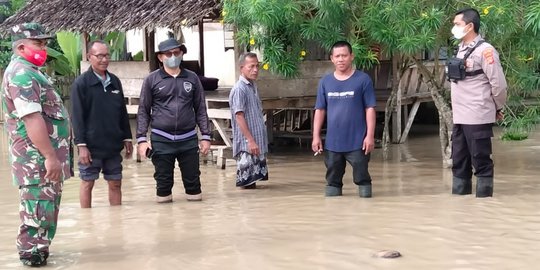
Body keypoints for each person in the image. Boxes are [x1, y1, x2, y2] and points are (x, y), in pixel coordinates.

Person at [1, 23, 71, 266]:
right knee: (37, 212)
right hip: (36, 160)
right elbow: (32, 117)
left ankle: (40, 251)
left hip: (42, 160)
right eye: (38, 43)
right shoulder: (22, 74)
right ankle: (32, 255)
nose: (44, 48)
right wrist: (50, 156)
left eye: (44, 43)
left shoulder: (32, 71)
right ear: (21, 46)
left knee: (46, 211)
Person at [136, 38, 211, 203]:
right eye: (168, 54)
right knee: (163, 188)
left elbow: (200, 109)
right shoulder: (151, 80)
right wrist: (141, 139)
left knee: (194, 189)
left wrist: (205, 136)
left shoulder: (192, 79)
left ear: (182, 54)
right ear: (160, 57)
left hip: (188, 139)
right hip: (161, 139)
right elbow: (143, 110)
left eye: (176, 53)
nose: (173, 56)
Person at [449, 8, 507, 197]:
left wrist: (498, 107)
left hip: (477, 115)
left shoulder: (486, 51)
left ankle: (484, 202)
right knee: (459, 161)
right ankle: (461, 204)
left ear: (470, 26)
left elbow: (498, 85)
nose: (454, 28)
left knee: (481, 161)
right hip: (459, 116)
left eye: (457, 24)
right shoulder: (460, 49)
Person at [70, 40, 133, 208]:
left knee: (115, 183)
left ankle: (116, 222)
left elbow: (122, 112)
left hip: (113, 145)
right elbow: (76, 117)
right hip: (91, 146)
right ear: (90, 57)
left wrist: (127, 137)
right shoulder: (81, 84)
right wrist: (81, 145)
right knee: (87, 183)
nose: (104, 60)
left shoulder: (115, 81)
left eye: (107, 55)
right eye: (99, 56)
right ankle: (86, 222)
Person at [312, 41, 376, 198]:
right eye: (337, 56)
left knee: (363, 179)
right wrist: (316, 136)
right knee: (332, 182)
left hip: (358, 142)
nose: (341, 59)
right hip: (333, 143)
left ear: (351, 57)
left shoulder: (363, 80)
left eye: (344, 55)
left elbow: (370, 109)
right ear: (332, 59)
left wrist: (370, 136)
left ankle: (366, 211)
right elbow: (320, 110)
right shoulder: (325, 82)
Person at [229, 52, 269, 189]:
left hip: (255, 143)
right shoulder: (240, 89)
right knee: (247, 185)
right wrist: (250, 140)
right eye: (251, 66)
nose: (255, 70)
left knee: (253, 187)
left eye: (257, 66)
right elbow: (239, 116)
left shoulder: (252, 86)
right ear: (242, 68)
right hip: (247, 145)